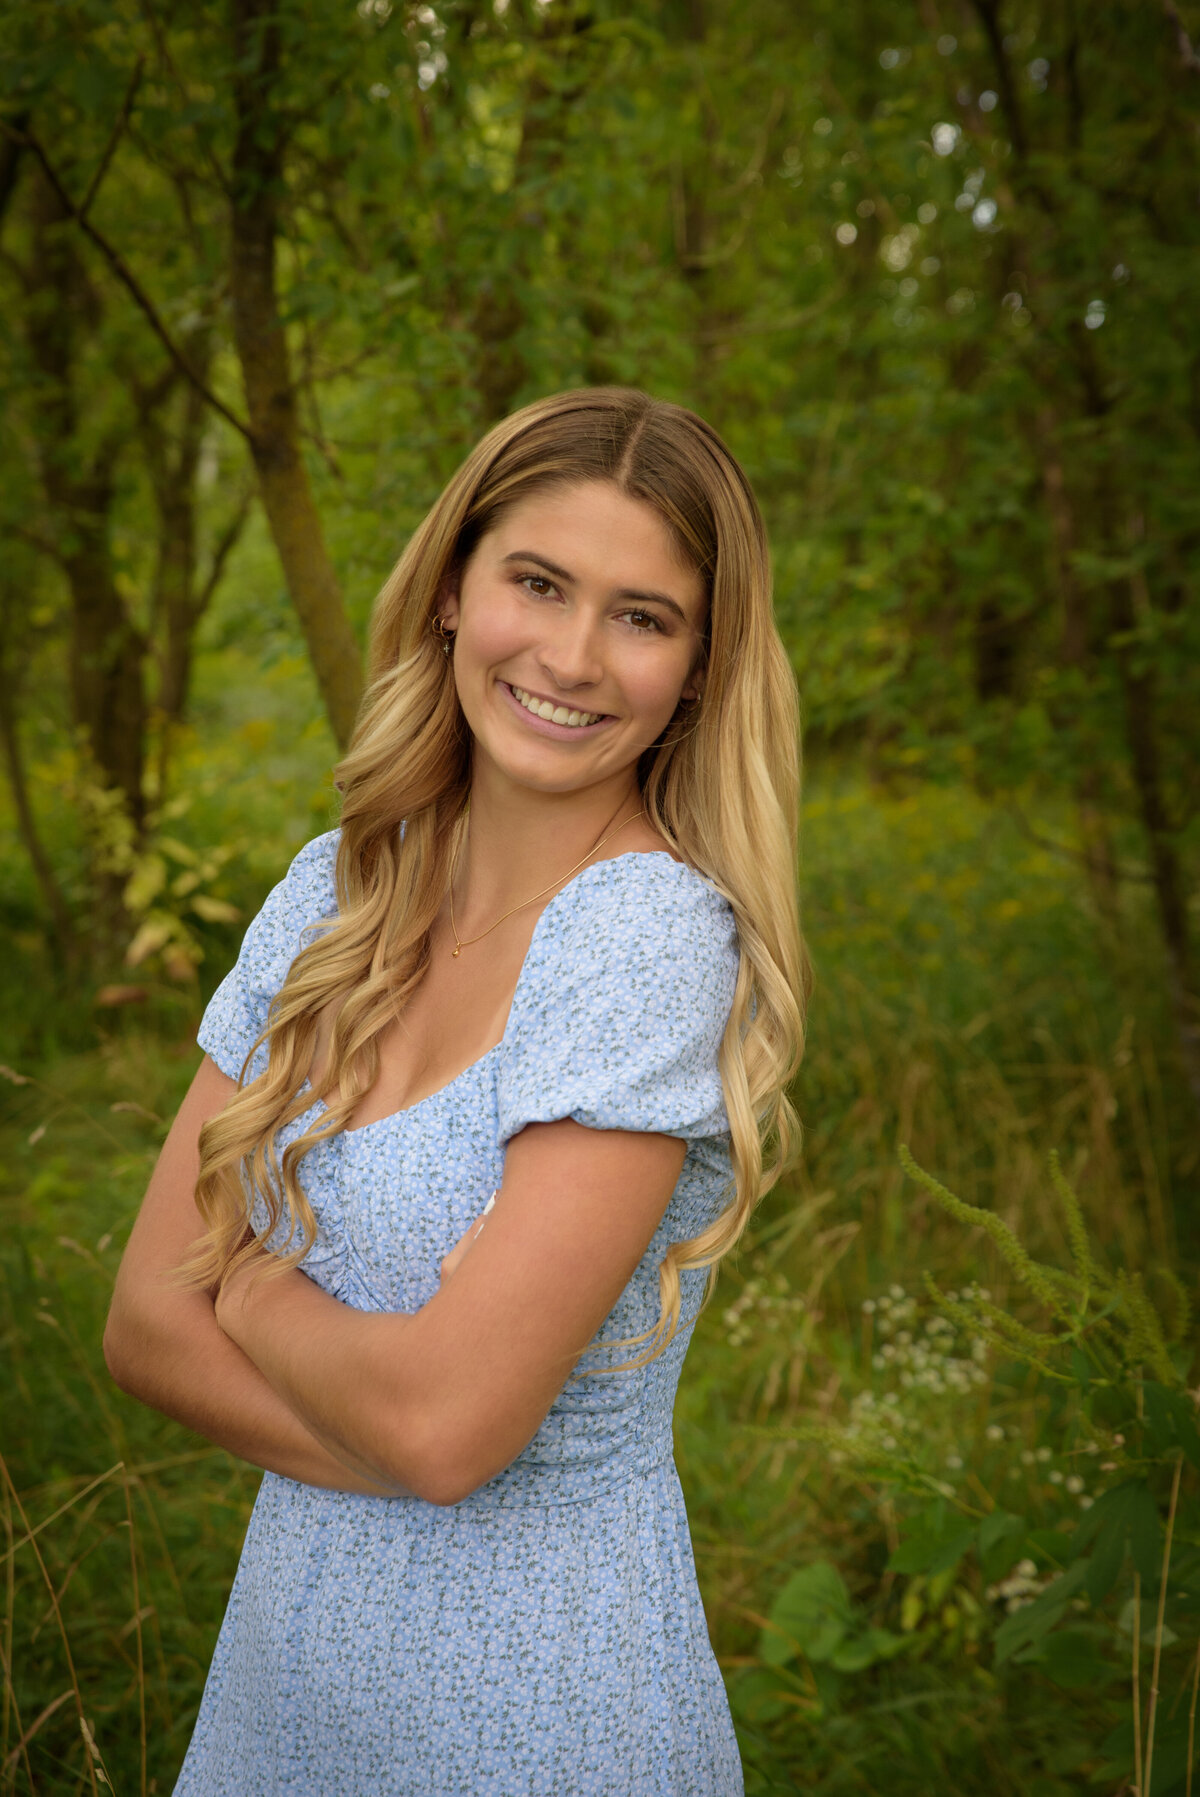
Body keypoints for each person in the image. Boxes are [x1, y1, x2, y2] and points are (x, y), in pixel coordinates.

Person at [104, 386, 808, 1795]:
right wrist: (414, 1428)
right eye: (536, 582)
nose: (571, 655)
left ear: (698, 664)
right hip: (287, 1683)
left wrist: (245, 1289)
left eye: (642, 614)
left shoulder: (652, 939)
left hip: (537, 1701)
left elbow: (444, 1426)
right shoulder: (335, 888)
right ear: (448, 590)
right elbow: (137, 1325)